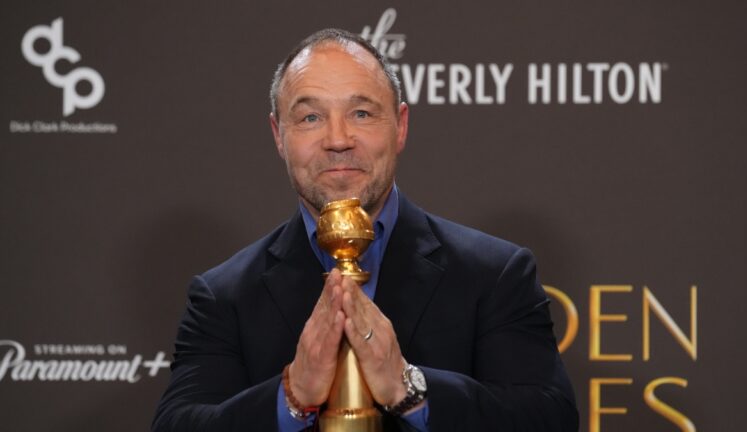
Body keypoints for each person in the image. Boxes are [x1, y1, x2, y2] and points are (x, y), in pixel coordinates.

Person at [152, 28, 578, 431]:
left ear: (401, 126)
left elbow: (550, 419)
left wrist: (408, 388)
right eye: (310, 117)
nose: (338, 139)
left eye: (361, 113)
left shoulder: (495, 274)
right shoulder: (223, 296)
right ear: (278, 136)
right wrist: (293, 394)